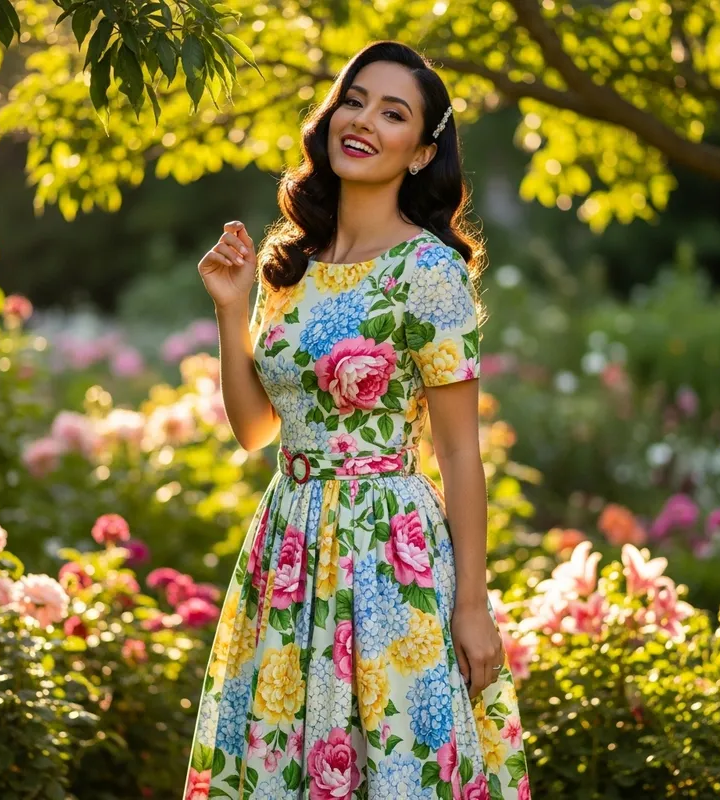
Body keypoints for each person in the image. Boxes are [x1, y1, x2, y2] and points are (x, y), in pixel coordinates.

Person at [184, 40, 531, 800]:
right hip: (287, 547)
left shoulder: (429, 271)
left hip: (388, 553)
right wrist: (233, 308)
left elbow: (461, 455)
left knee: (395, 763)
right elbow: (255, 430)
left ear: (421, 152)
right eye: (355, 99)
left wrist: (472, 607)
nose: (365, 120)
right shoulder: (290, 264)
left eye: (393, 112)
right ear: (330, 115)